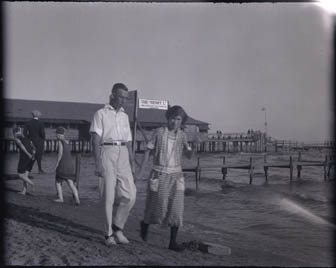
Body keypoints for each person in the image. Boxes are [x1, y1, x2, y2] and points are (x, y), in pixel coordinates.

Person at [138, 105, 199, 251]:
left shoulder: (182, 136)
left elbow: (189, 156)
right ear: (168, 118)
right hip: (159, 174)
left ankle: (172, 242)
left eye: (178, 119)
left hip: (177, 176)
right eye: (172, 118)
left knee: (176, 209)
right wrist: (140, 172)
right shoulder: (159, 133)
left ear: (182, 121)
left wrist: (195, 145)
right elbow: (148, 151)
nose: (175, 122)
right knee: (157, 206)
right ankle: (145, 225)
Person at [90, 83, 136, 246]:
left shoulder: (124, 116)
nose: (123, 100)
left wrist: (132, 162)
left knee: (130, 195)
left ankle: (118, 227)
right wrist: (97, 163)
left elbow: (129, 141)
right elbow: (95, 139)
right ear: (112, 96)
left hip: (123, 152)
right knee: (108, 196)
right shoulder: (100, 113)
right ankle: (108, 233)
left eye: (126, 97)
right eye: (120, 96)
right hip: (107, 151)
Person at [53, 127, 80, 205]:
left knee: (58, 182)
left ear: (58, 134)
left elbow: (60, 154)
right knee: (70, 183)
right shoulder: (67, 142)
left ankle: (61, 198)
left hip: (63, 164)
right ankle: (77, 199)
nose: (56, 135)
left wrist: (56, 164)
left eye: (56, 134)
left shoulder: (60, 142)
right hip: (70, 165)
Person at [12, 127, 35, 195]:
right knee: (25, 175)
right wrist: (33, 153)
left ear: (14, 133)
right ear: (20, 131)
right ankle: (24, 191)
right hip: (32, 155)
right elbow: (32, 145)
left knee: (20, 175)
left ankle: (32, 184)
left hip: (25, 156)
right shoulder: (26, 136)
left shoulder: (16, 138)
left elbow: (22, 146)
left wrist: (28, 154)